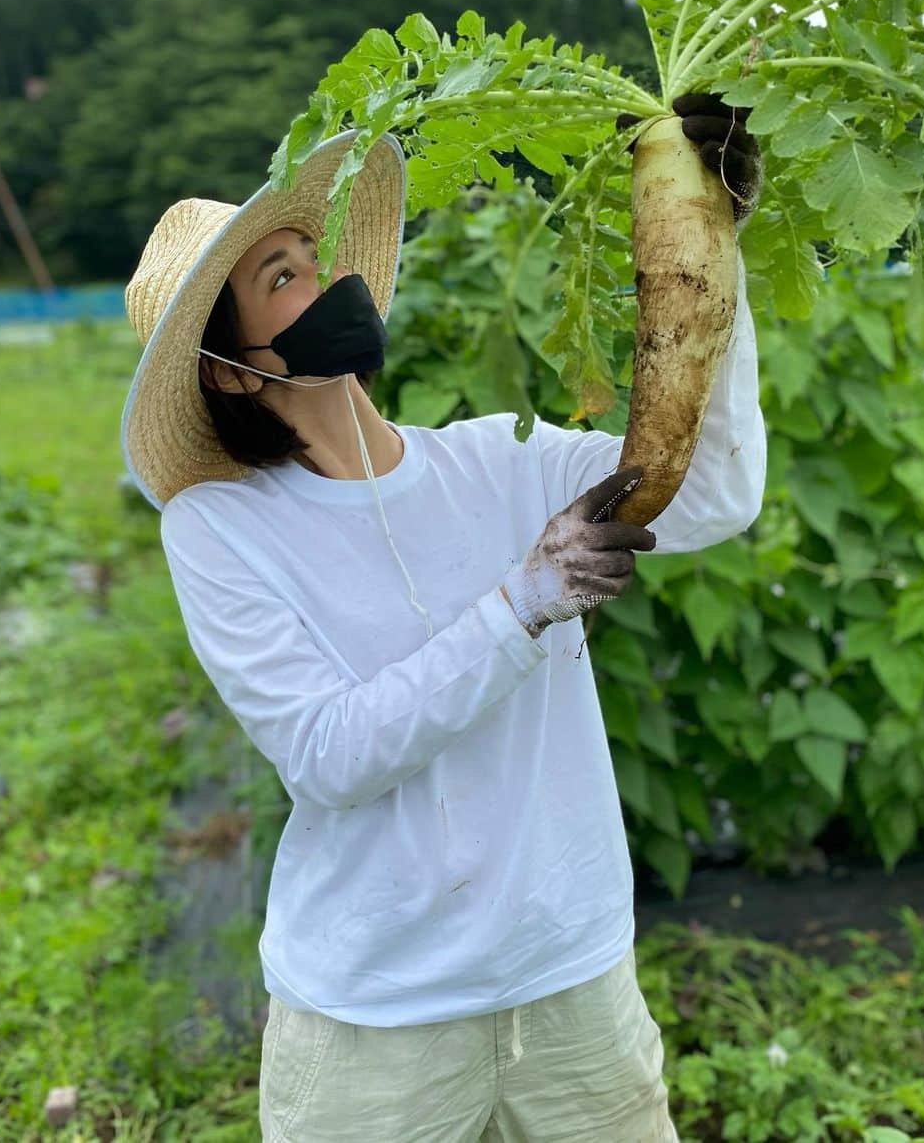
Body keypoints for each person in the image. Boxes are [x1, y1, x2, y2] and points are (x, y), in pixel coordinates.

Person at [120, 97, 766, 1142]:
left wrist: (709, 249)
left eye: (313, 253)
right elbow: (330, 754)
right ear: (235, 368)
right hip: (376, 1023)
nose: (322, 276)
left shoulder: (500, 460)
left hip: (571, 979)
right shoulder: (223, 529)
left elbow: (712, 494)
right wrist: (525, 603)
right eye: (281, 277)